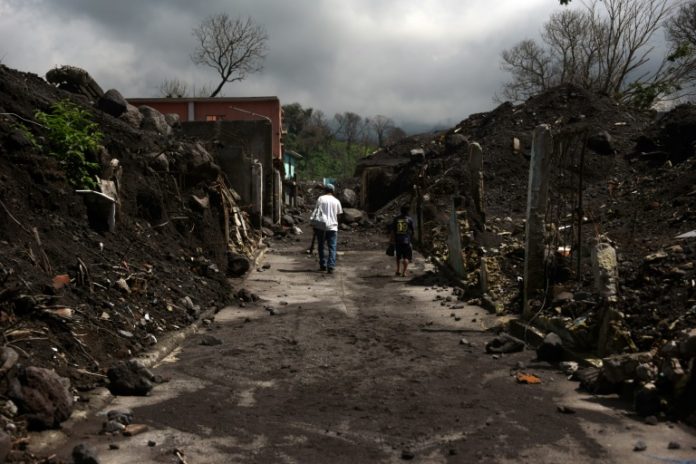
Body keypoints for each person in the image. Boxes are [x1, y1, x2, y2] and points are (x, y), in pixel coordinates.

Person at [311, 184, 343, 273]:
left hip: (321, 226)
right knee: (332, 247)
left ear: (325, 190)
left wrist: (314, 224)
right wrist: (337, 224)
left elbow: (316, 212)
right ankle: (331, 266)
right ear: (333, 191)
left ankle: (323, 265)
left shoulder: (321, 199)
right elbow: (339, 215)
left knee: (321, 246)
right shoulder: (336, 201)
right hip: (333, 227)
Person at [389, 205, 415, 277]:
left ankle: (398, 270)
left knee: (398, 256)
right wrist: (411, 239)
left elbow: (392, 230)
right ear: (407, 211)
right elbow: (412, 231)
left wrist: (391, 240)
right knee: (406, 257)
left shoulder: (396, 219)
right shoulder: (409, 219)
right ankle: (404, 272)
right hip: (406, 240)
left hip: (398, 241)